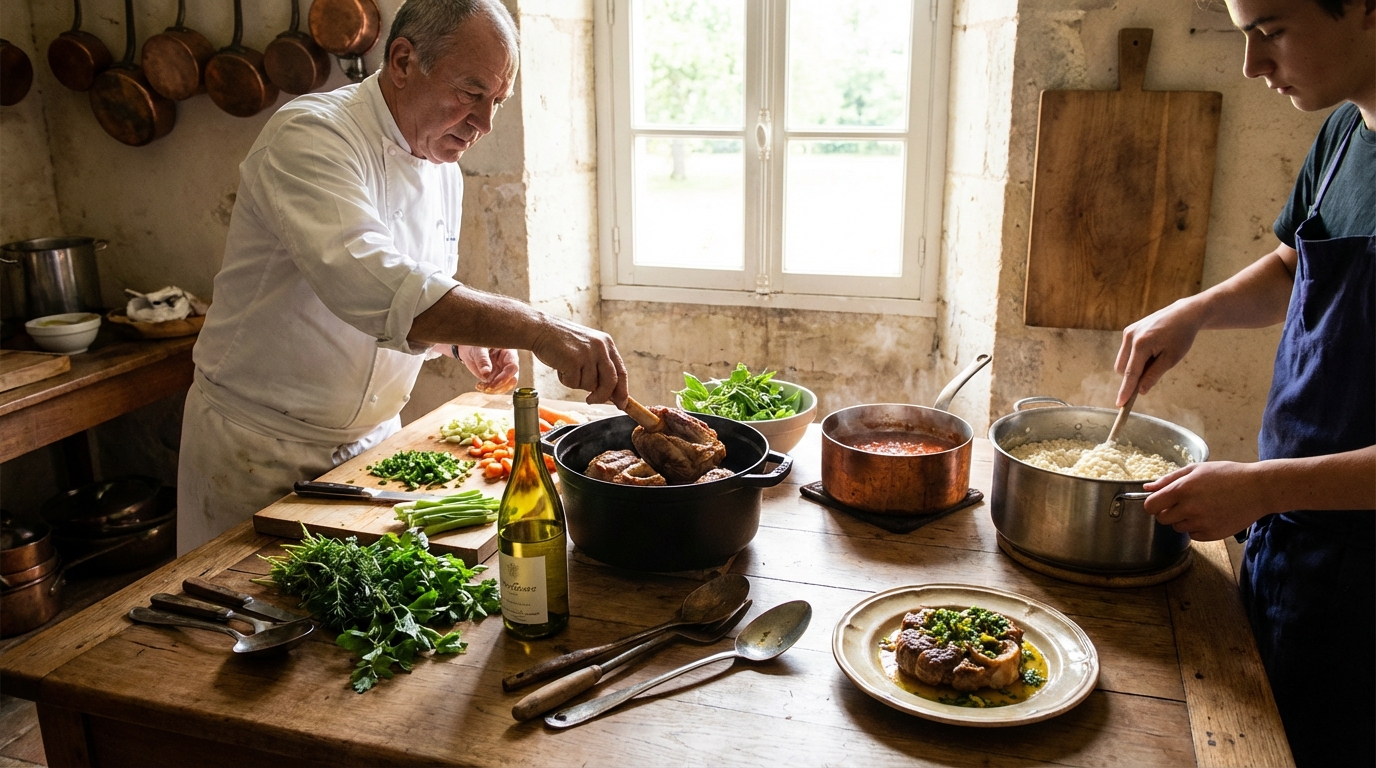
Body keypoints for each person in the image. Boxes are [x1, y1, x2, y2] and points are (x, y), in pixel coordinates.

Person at [177, 0, 628, 554]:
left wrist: (461, 338)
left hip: (373, 444)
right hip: (260, 447)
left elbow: (414, 292)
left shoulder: (443, 169)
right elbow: (371, 283)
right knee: (241, 626)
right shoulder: (311, 136)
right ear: (403, 60)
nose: (484, 123)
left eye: (497, 102)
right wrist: (536, 328)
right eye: (471, 93)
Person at [1112, 0, 1374, 764]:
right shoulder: (1343, 134)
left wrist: (1262, 488)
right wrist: (1196, 311)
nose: (1251, 66)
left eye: (1272, 31)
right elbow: (1297, 267)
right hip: (1290, 547)